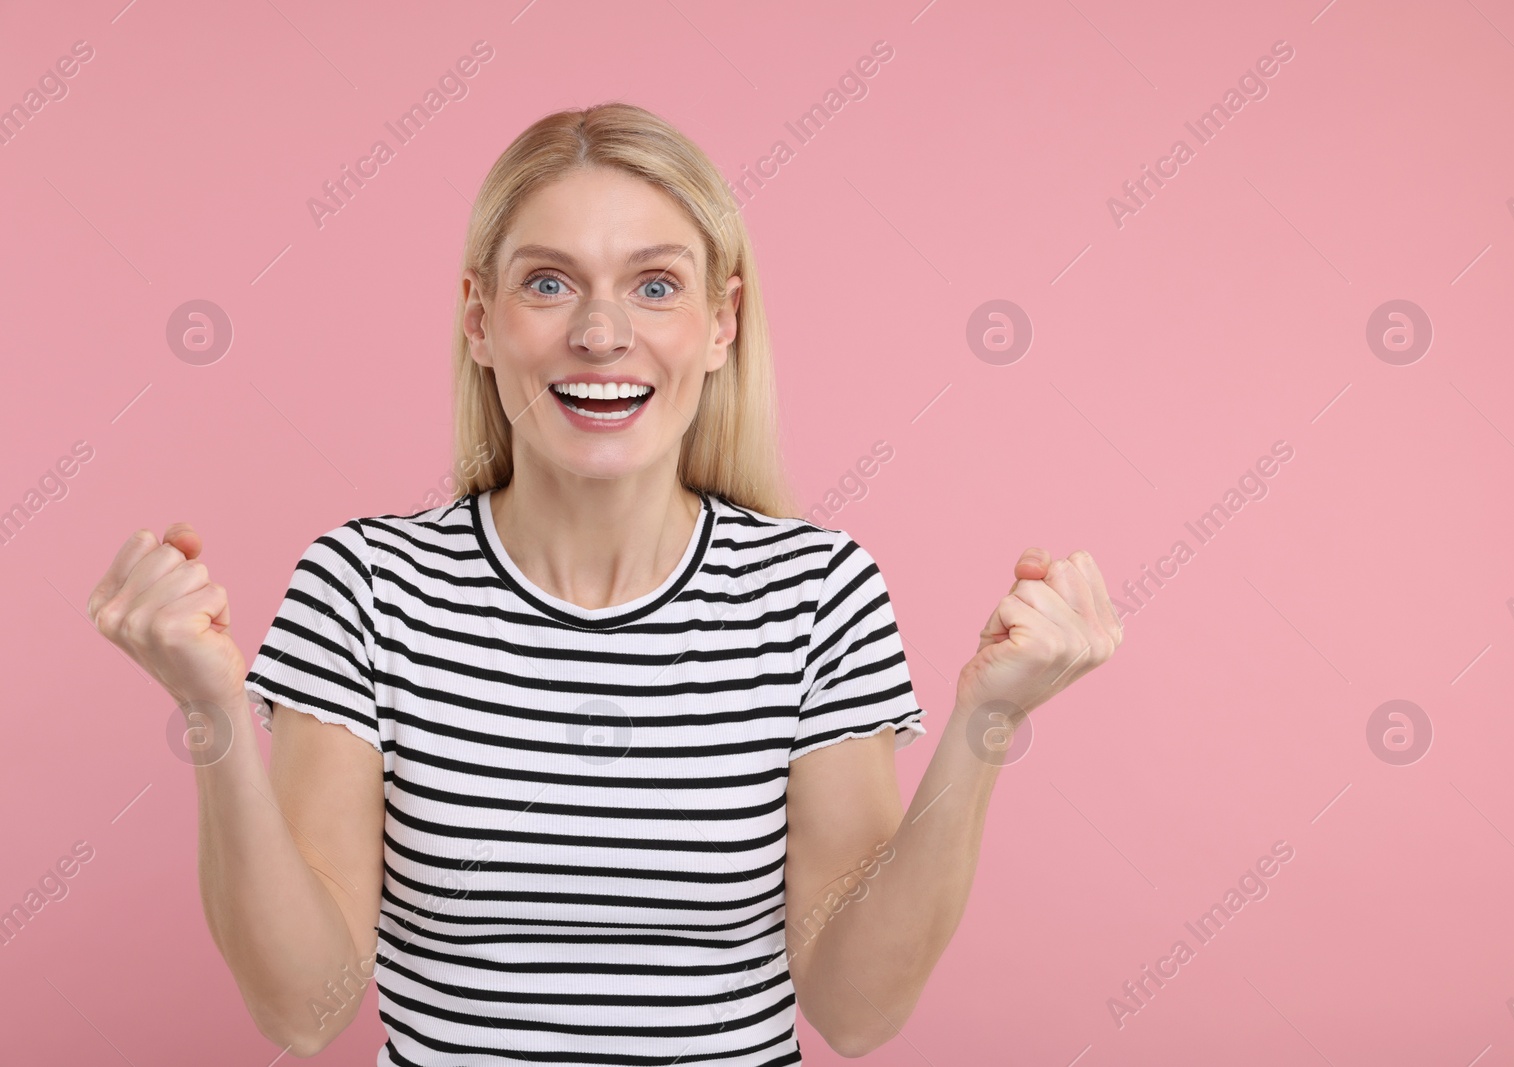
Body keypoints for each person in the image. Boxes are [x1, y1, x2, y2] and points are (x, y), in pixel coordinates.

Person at [86, 101, 1122, 1065]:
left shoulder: (817, 592)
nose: (599, 331)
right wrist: (212, 709)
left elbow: (855, 1007)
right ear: (480, 320)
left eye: (655, 284)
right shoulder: (364, 587)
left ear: (721, 325)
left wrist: (986, 723)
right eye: (548, 282)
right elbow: (298, 1009)